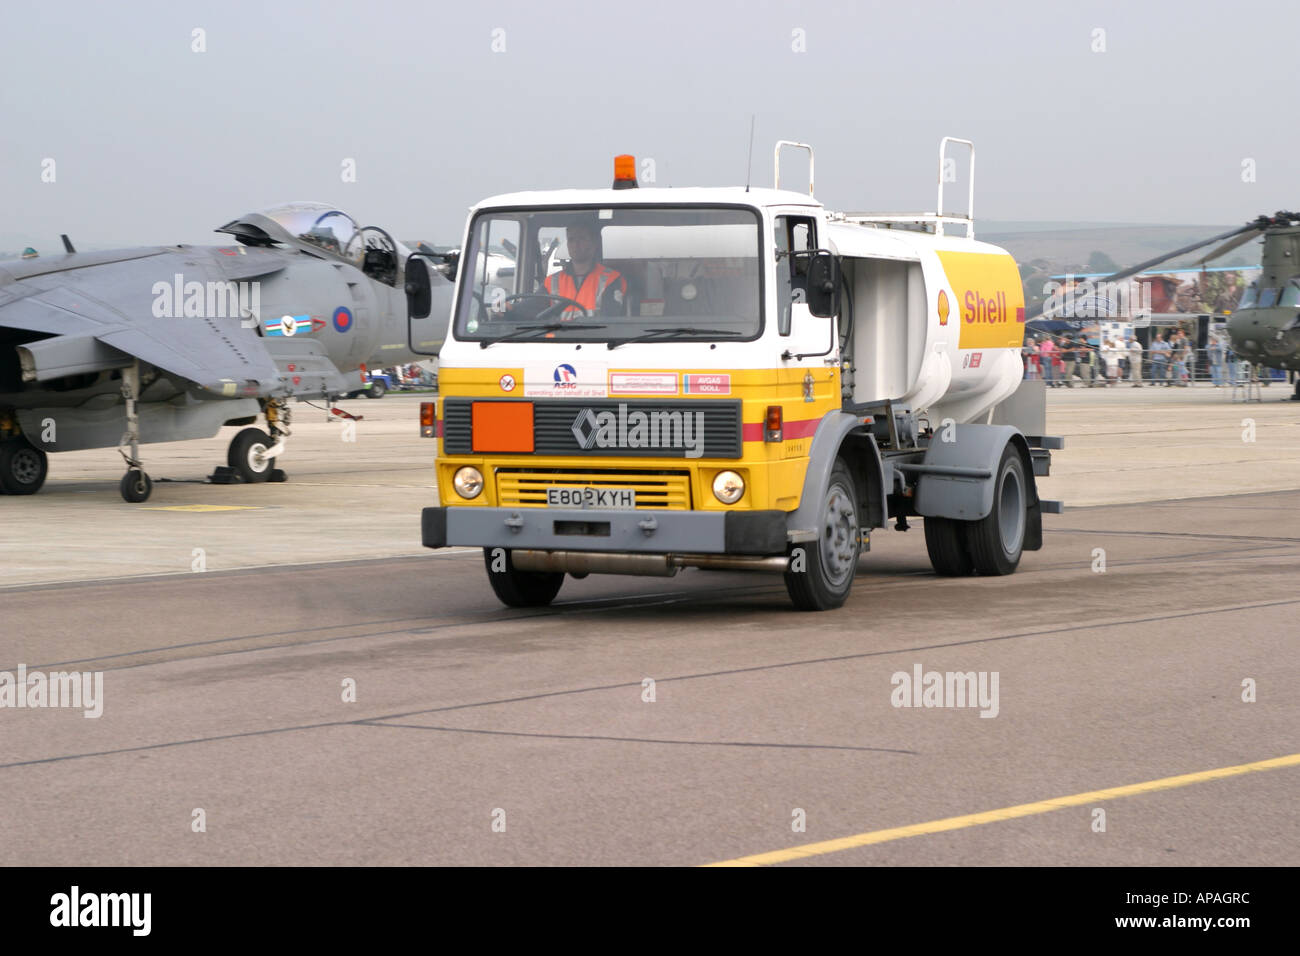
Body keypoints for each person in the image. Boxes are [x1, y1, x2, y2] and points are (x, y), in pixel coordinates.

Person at [541, 219, 628, 318]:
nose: (575, 244)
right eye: (571, 239)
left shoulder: (612, 279)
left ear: (594, 243)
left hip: (599, 333)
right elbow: (529, 309)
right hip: (557, 333)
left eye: (581, 238)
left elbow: (610, 320)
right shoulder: (551, 281)